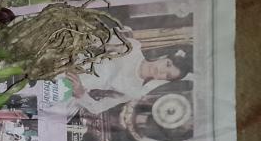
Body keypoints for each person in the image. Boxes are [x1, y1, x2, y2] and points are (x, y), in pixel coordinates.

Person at [60, 38, 193, 117]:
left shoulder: (133, 91)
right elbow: (93, 41)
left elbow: (97, 108)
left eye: (167, 75)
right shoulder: (133, 47)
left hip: (69, 84)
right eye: (167, 64)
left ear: (164, 80)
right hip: (66, 56)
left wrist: (80, 93)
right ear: (164, 57)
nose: (161, 71)